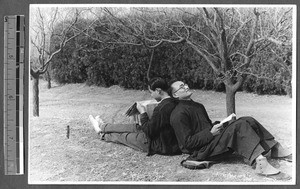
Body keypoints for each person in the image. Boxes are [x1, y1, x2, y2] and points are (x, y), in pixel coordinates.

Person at [169, 80, 291, 176]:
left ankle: (275, 148)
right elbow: (187, 143)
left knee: (247, 119)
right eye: (181, 87)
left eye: (185, 84)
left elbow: (205, 126)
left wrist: (220, 124)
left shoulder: (198, 106)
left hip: (211, 141)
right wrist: (210, 133)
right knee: (239, 126)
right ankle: (259, 163)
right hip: (202, 151)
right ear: (175, 94)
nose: (186, 87)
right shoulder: (178, 114)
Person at [89, 77, 181, 156]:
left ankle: (103, 134)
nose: (151, 95)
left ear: (158, 90)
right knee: (134, 127)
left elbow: (148, 131)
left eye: (151, 92)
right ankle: (103, 126)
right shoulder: (175, 102)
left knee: (124, 137)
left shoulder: (161, 108)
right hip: (163, 136)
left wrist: (143, 112)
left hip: (156, 143)